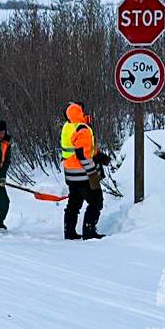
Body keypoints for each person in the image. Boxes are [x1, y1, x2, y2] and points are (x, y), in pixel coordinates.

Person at [61, 101, 111, 240]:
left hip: (70, 174)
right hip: (83, 175)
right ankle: (89, 231)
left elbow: (80, 150)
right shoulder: (82, 129)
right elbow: (82, 154)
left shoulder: (68, 126)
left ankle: (69, 232)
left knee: (74, 203)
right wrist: (92, 172)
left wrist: (99, 156)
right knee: (96, 201)